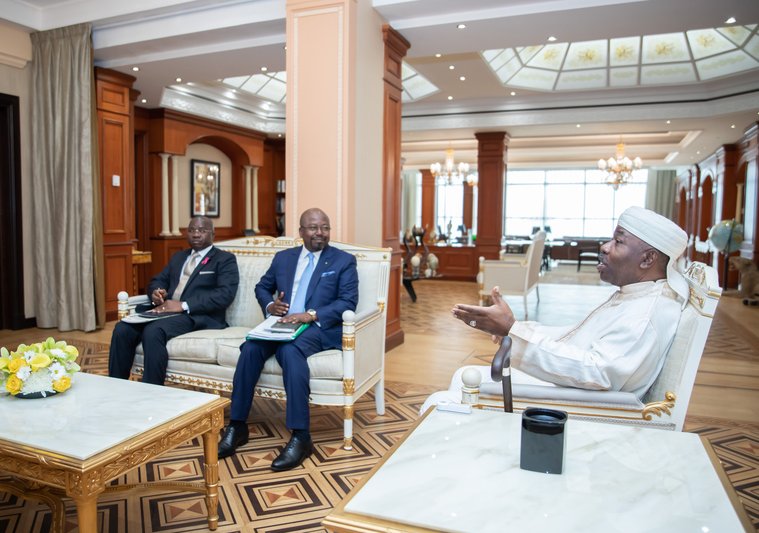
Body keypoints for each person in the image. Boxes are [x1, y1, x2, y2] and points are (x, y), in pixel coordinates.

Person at [451, 206, 688, 398]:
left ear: (647, 259)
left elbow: (597, 372)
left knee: (461, 381)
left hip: (580, 403)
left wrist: (511, 329)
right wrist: (514, 329)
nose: (605, 247)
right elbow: (572, 335)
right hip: (572, 389)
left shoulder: (644, 314)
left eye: (618, 241)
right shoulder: (637, 295)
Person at [218, 208, 359, 471]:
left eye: (325, 227)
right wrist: (270, 306)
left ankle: (301, 436)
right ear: (301, 231)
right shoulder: (284, 258)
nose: (320, 232)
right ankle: (237, 426)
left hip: (316, 326)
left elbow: (348, 302)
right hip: (281, 323)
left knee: (290, 352)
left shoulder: (343, 261)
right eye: (313, 227)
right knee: (250, 348)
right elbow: (262, 287)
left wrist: (311, 314)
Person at [109, 216, 239, 385]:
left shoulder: (224, 259)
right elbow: (158, 280)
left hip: (198, 315)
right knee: (122, 329)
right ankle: (116, 386)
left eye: (202, 230)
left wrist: (183, 305)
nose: (196, 234)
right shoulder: (179, 257)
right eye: (192, 230)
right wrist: (156, 292)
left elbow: (224, 294)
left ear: (213, 234)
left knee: (153, 331)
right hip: (166, 311)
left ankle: (152, 391)